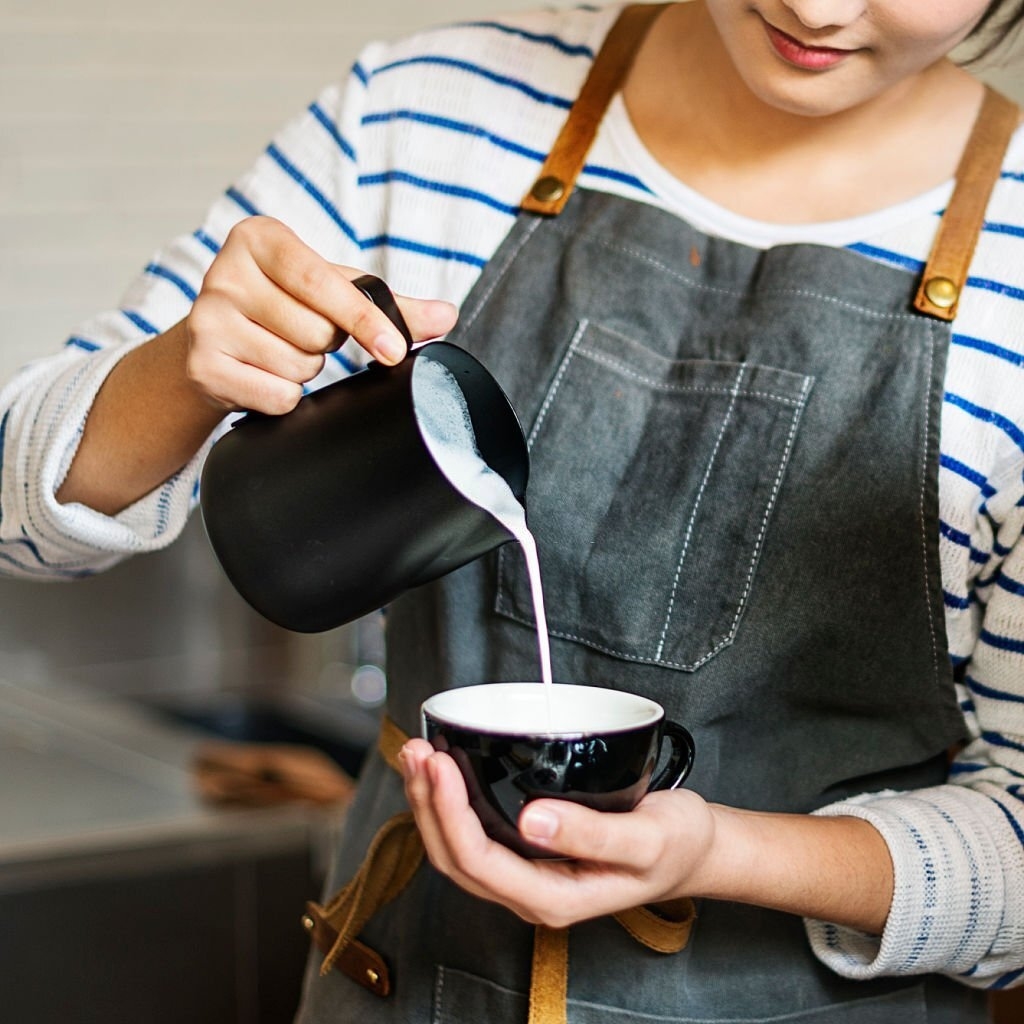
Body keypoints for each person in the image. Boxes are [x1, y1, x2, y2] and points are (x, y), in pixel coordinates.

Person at [2, 1, 1023, 1020]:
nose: (818, 5)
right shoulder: (434, 113)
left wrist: (723, 852)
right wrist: (180, 372)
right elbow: (20, 520)